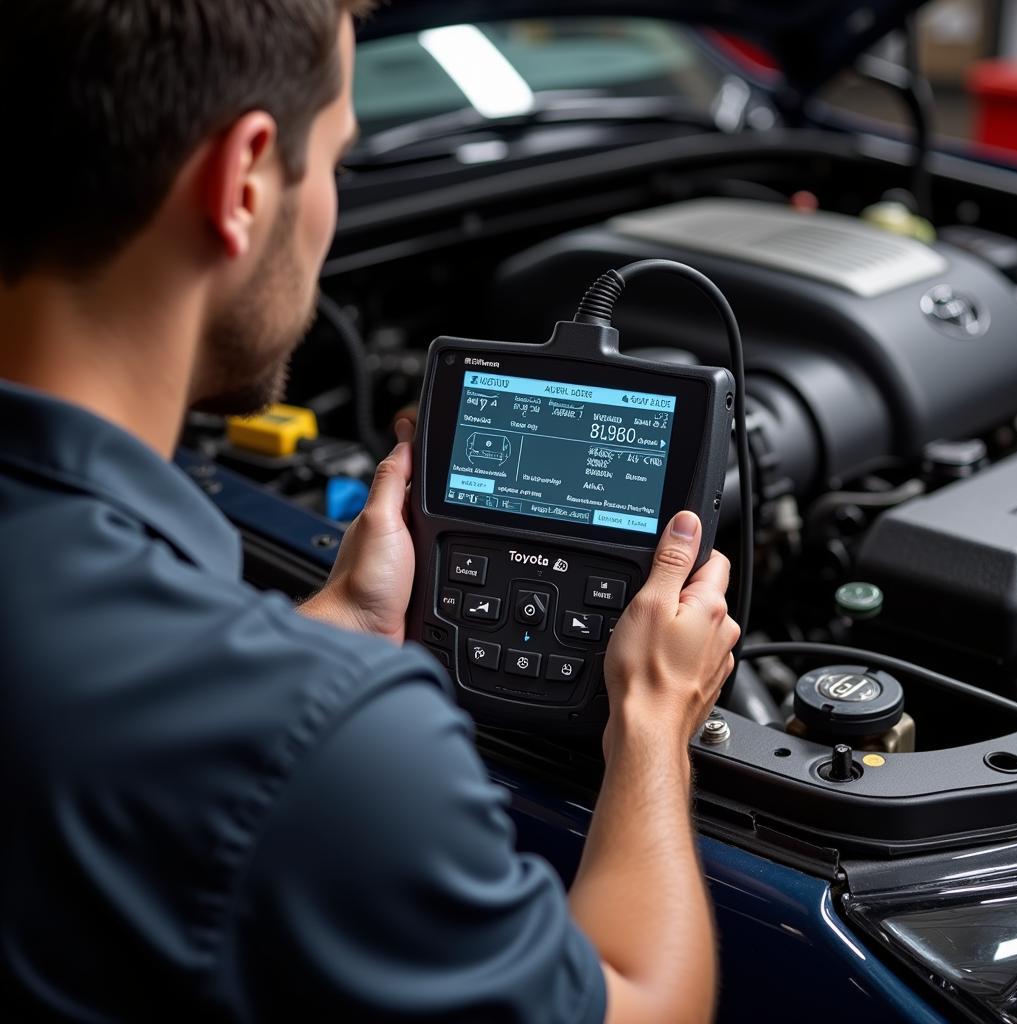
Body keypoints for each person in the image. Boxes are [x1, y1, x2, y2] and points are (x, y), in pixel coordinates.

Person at [0, 2, 741, 1021]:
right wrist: (654, 723)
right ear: (244, 180)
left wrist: (341, 619)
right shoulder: (330, 745)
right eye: (338, 160)